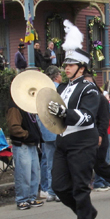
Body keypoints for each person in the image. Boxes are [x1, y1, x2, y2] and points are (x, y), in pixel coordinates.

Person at [47, 20, 100, 219]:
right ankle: (86, 212)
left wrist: (64, 112)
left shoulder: (89, 88)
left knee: (80, 187)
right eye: (65, 65)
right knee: (58, 186)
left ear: (82, 67)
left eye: (70, 65)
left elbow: (88, 116)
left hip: (82, 142)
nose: (66, 68)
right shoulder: (61, 87)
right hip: (63, 141)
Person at [6, 100, 43, 210]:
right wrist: (26, 135)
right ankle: (22, 199)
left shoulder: (27, 105)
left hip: (31, 144)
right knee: (24, 173)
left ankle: (32, 196)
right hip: (22, 144)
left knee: (34, 172)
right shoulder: (15, 107)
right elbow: (14, 127)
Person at [38, 65, 61, 202]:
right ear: (56, 75)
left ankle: (50, 191)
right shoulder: (58, 89)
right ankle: (58, 191)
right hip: (57, 130)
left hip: (45, 131)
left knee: (49, 162)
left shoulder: (41, 90)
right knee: (60, 162)